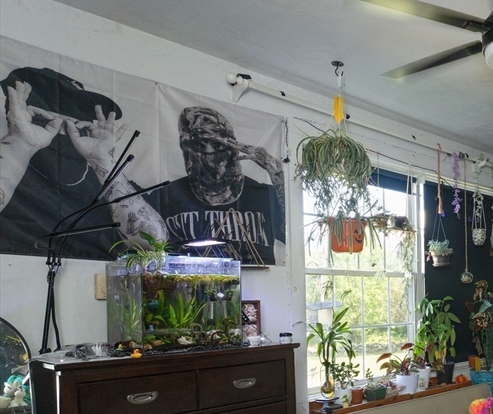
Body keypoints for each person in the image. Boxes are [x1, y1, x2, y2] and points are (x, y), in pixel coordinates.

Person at [0, 67, 164, 258]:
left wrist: (103, 161)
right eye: (46, 122)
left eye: (74, 123)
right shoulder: (9, 166)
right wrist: (20, 143)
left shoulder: (106, 181)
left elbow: (156, 243)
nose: (63, 132)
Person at [147, 106, 285, 265]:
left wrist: (274, 169)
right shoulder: (166, 196)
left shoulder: (262, 195)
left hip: (257, 282)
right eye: (200, 145)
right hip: (191, 285)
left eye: (220, 145)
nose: (218, 158)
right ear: (187, 149)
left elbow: (292, 232)